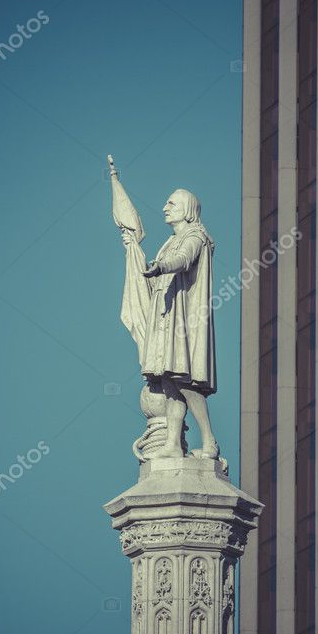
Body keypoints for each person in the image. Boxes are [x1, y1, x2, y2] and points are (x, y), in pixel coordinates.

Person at [122, 188, 218, 459]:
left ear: (187, 209)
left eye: (171, 203)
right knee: (169, 384)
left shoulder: (195, 236)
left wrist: (161, 267)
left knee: (184, 380)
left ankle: (210, 440)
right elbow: (158, 277)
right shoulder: (169, 241)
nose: (165, 207)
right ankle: (173, 444)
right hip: (165, 318)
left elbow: (183, 259)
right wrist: (135, 255)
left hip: (182, 322)